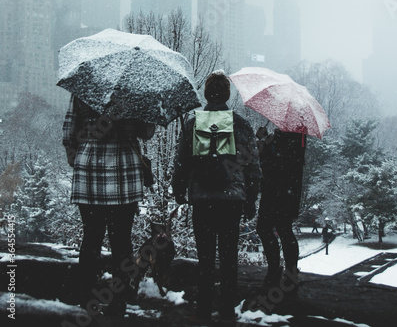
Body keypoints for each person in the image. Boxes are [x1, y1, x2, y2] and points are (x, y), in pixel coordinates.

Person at [172, 71, 261, 324]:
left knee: (206, 257)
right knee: (229, 256)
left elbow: (182, 163)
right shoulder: (241, 124)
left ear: (206, 94)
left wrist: (179, 190)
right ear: (228, 94)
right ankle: (226, 310)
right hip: (232, 201)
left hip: (202, 200)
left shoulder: (193, 123)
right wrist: (251, 198)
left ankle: (203, 310)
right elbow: (252, 165)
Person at [63, 94, 155, 316]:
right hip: (124, 174)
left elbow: (68, 133)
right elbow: (147, 132)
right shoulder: (136, 93)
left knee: (91, 237)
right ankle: (118, 301)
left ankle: (86, 296)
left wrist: (79, 156)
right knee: (121, 240)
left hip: (89, 174)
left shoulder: (84, 90)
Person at [256, 125, 306, 293]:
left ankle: (275, 270)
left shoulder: (288, 138)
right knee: (283, 229)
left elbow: (272, 162)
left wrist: (264, 142)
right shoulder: (298, 137)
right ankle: (288, 272)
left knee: (268, 228)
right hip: (287, 191)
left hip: (276, 190)